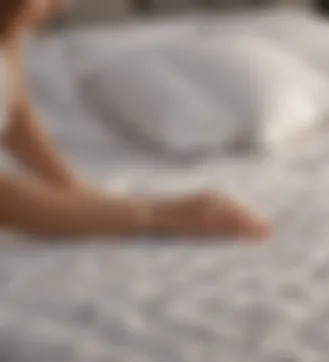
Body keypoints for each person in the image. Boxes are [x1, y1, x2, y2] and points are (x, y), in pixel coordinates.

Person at [0, 0, 271, 239]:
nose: (61, 6)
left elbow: (12, 109)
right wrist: (157, 214)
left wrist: (80, 194)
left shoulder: (7, 29)